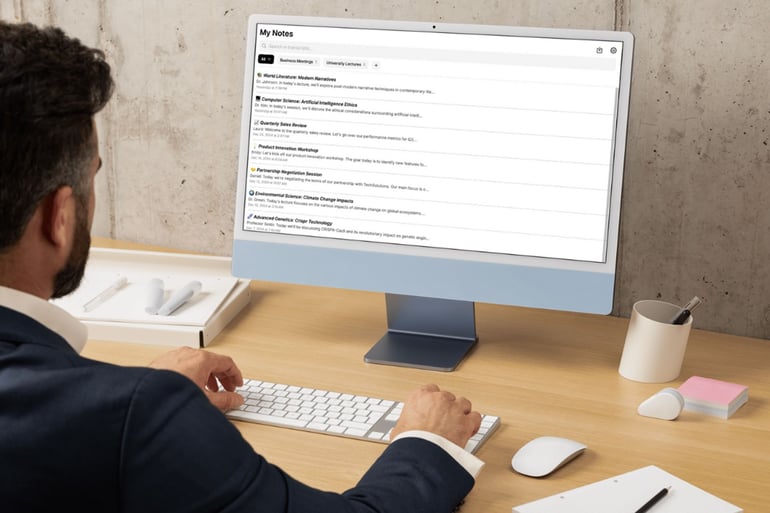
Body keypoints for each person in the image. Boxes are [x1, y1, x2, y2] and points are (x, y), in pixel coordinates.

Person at [0, 21, 484, 512]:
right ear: (60, 217)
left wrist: (123, 401)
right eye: (93, 175)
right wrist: (427, 445)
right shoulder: (139, 415)